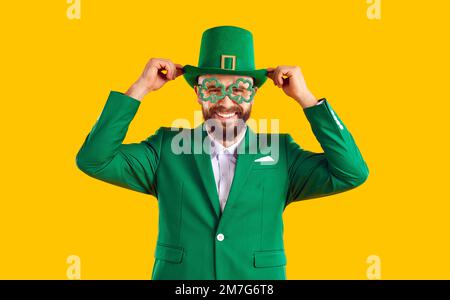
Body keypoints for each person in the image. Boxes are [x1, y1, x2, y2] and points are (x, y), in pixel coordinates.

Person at [76, 26, 369, 280]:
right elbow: (94, 159)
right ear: (197, 93)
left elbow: (352, 173)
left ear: (254, 93)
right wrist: (139, 88)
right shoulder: (166, 149)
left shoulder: (282, 154)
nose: (226, 102)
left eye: (239, 89)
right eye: (212, 89)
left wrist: (306, 98)